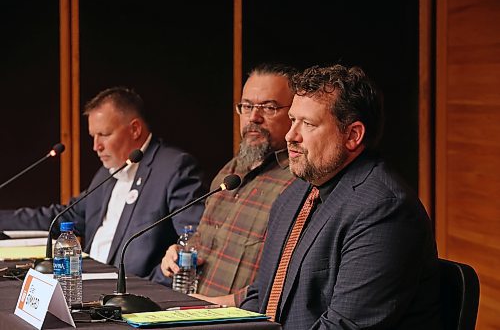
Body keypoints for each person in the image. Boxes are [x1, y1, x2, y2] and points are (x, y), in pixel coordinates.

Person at [240, 65, 441, 329]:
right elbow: (262, 297)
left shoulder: (384, 210)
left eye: (308, 124)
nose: (291, 136)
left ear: (352, 135)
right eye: (292, 120)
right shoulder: (294, 193)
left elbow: (343, 326)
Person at [0, 87, 206, 283]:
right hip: (87, 283)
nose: (96, 146)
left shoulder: (174, 168)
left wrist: (154, 283)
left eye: (105, 135)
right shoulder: (106, 173)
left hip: (137, 293)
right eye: (93, 136)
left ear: (135, 129)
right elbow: (60, 217)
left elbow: (193, 241)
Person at [161, 63, 297, 306]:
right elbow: (203, 242)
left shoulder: (299, 181)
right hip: (189, 309)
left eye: (269, 107)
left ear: (294, 113)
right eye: (246, 106)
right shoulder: (232, 169)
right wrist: (177, 253)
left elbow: (287, 280)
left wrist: (223, 305)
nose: (253, 117)